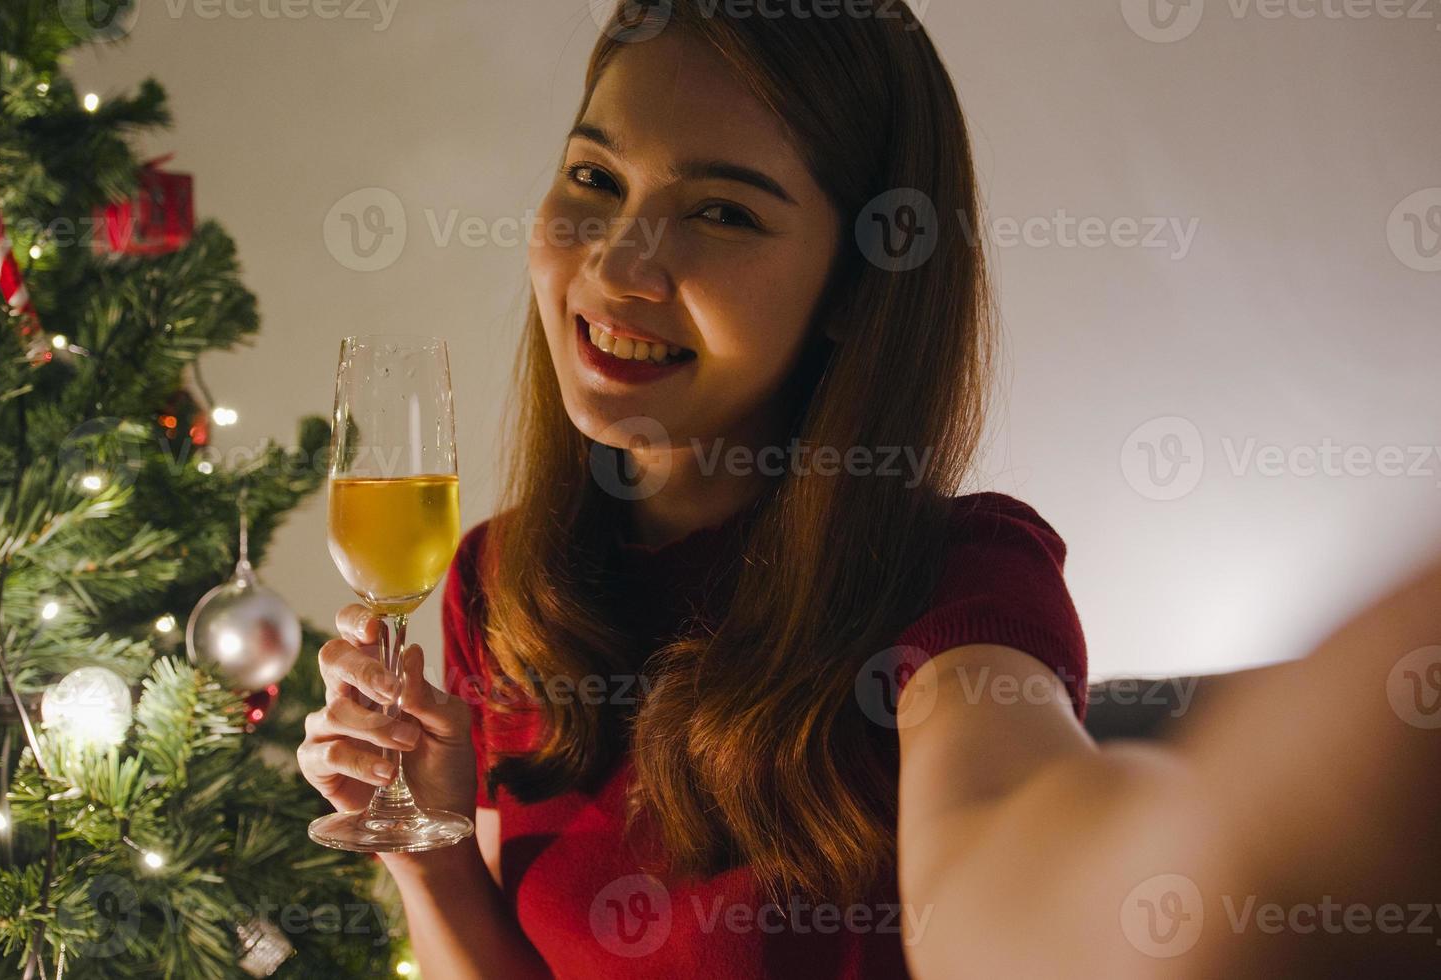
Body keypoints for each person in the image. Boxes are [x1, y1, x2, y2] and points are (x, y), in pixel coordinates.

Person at [298, 3, 1441, 976]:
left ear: (858, 280)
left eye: (721, 210)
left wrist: (1242, 849)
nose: (618, 262)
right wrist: (430, 847)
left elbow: (1011, 866)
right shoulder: (505, 580)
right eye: (594, 177)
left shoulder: (955, 580)